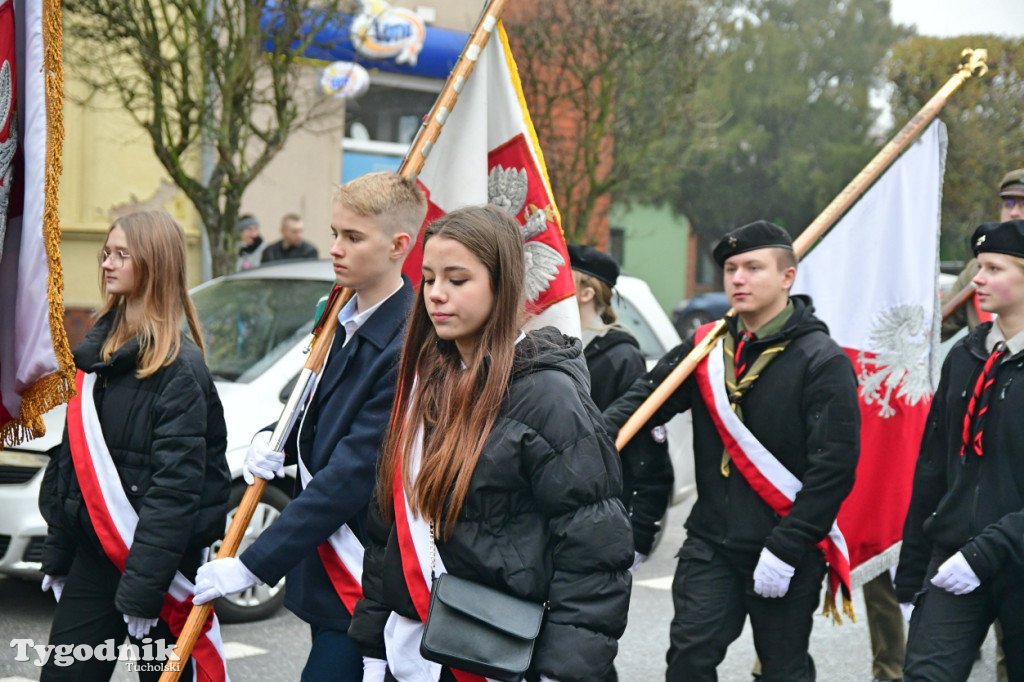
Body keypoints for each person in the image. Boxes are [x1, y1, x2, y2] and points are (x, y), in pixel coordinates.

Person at [347, 204, 634, 682]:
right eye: (430, 277)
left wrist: (563, 670)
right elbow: (389, 530)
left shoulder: (550, 397)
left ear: (501, 286)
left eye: (458, 280)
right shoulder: (425, 383)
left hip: (503, 658)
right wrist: (373, 642)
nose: (436, 295)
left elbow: (593, 553)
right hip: (413, 650)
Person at [192, 172, 425, 682]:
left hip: (371, 578)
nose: (336, 249)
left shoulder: (407, 345)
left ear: (399, 246)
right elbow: (314, 413)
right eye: (335, 232)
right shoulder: (343, 319)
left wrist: (254, 563)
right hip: (330, 579)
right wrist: (271, 440)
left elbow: (354, 470)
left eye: (353, 237)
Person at [605, 220, 860, 682]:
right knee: (688, 661)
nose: (737, 279)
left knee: (784, 670)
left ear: (787, 277)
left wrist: (786, 549)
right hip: (711, 544)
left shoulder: (822, 360)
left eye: (753, 268)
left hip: (786, 544)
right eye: (730, 269)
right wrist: (590, 441)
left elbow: (834, 470)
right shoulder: (705, 348)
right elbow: (642, 403)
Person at [37, 210, 231, 681]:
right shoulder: (95, 354)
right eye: (107, 252)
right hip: (95, 559)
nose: (107, 263)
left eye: (122, 254)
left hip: (159, 573)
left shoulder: (180, 368)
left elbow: (175, 493)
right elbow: (74, 467)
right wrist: (60, 555)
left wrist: (144, 592)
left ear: (155, 263)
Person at [895, 219, 1024, 682]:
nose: (978, 279)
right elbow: (933, 466)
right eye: (979, 266)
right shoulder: (967, 356)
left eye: (994, 268)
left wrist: (988, 551)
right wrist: (911, 570)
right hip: (953, 557)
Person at [568, 243, 673, 566]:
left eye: (563, 277)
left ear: (586, 293)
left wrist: (639, 535)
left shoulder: (620, 357)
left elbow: (649, 460)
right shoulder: (549, 344)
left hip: (595, 517)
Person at [941, 168, 1024, 342]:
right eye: (1008, 203)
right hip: (989, 365)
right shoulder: (977, 270)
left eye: (1023, 204)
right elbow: (935, 328)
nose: (1015, 212)